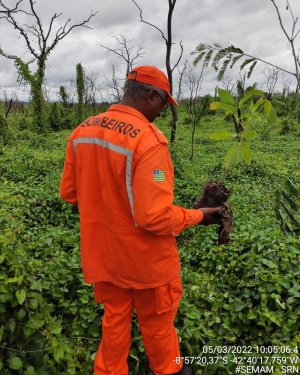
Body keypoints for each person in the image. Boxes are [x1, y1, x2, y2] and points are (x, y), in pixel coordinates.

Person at [60, 65, 223, 375]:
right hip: (148, 266)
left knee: (115, 320)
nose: (163, 113)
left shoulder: (83, 131)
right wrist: (199, 216)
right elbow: (154, 216)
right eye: (163, 104)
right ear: (151, 96)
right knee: (158, 323)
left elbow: (70, 192)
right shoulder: (150, 141)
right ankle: (168, 370)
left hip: (106, 259)